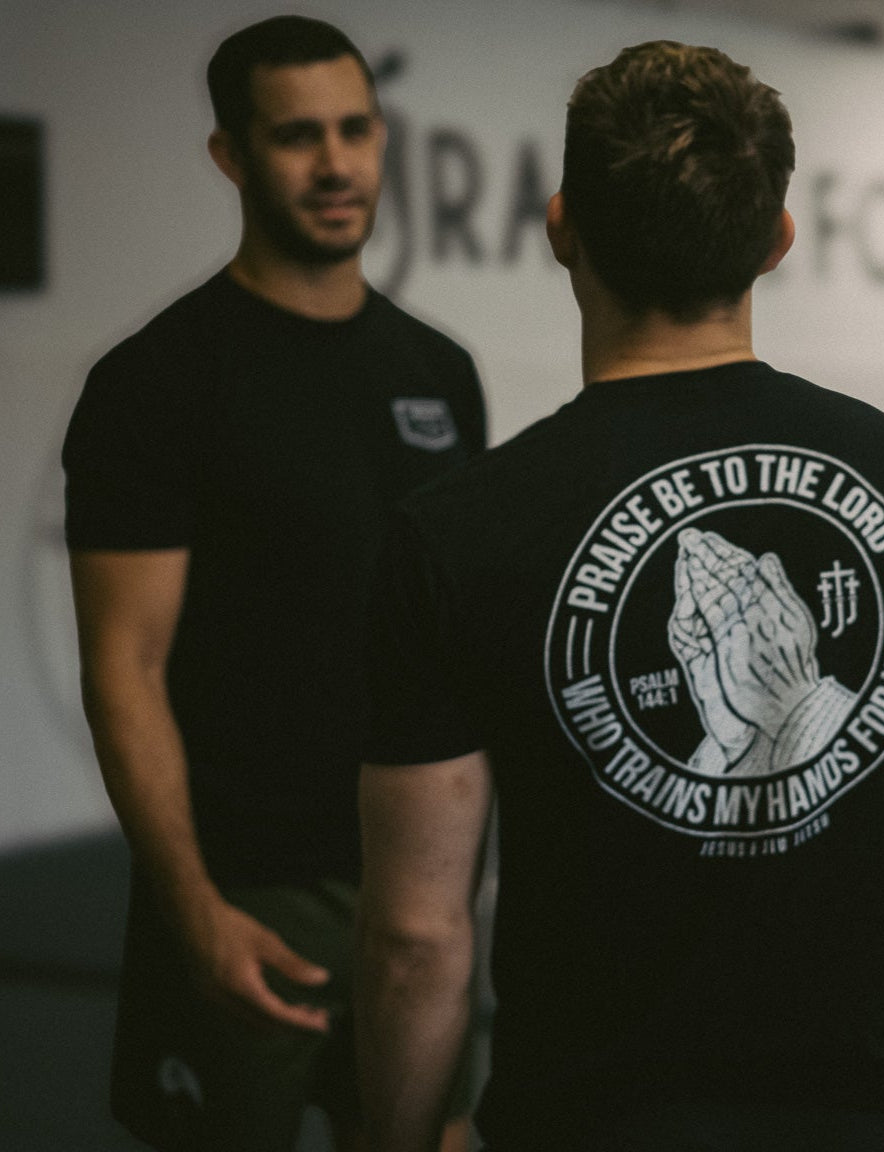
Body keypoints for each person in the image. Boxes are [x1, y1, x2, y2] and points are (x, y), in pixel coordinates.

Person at [356, 40, 884, 1152]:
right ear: (779, 239)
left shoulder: (456, 530)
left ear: (560, 226)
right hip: (869, 1123)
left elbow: (417, 938)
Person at [63, 15, 485, 1152]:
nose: (338, 163)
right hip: (246, 888)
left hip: (418, 888)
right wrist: (195, 912)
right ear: (231, 157)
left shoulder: (438, 373)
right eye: (299, 137)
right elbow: (125, 667)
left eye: (357, 130)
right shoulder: (156, 384)